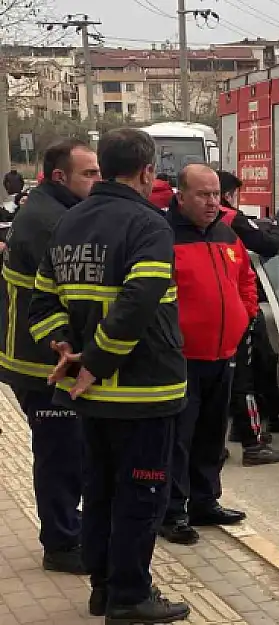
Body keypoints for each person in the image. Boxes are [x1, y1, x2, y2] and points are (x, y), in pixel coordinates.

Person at [28, 127, 190, 623]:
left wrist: (69, 351)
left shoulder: (71, 222)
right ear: (146, 172)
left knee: (99, 491)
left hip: (91, 397)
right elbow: (138, 303)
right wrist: (96, 364)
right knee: (142, 493)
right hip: (144, 391)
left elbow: (43, 302)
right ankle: (130, 596)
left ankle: (103, 587)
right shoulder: (149, 226)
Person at [0, 138, 100, 575]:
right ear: (61, 177)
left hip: (45, 359)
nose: (98, 180)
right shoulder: (49, 222)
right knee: (59, 454)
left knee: (69, 452)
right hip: (42, 363)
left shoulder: (53, 210)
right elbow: (69, 293)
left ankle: (67, 529)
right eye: (90, 174)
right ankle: (60, 543)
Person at [158, 164, 252, 545]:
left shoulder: (227, 234)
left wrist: (243, 316)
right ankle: (172, 511)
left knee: (213, 435)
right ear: (181, 196)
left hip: (222, 353)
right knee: (179, 438)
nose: (213, 201)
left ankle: (204, 501)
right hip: (182, 357)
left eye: (216, 194)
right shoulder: (164, 236)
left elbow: (246, 278)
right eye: (203, 194)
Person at [216, 169, 279, 465]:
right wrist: (277, 228)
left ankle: (218, 441)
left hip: (215, 313)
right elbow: (268, 244)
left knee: (213, 380)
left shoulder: (181, 223)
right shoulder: (228, 219)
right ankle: (252, 442)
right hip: (235, 312)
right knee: (243, 379)